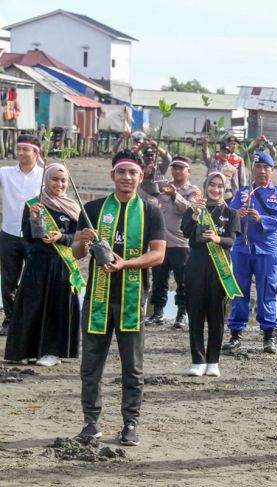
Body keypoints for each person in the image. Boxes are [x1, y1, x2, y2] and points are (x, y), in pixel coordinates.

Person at [72, 149, 166, 446]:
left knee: (132, 367)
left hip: (132, 299)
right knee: (91, 365)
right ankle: (91, 422)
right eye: (121, 172)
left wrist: (125, 263)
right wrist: (80, 242)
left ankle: (130, 424)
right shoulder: (93, 209)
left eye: (133, 173)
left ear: (141, 177)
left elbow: (158, 254)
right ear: (112, 175)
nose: (127, 178)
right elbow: (76, 254)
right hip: (97, 299)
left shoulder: (151, 209)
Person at [4, 164, 83, 366]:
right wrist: (33, 217)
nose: (59, 184)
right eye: (54, 179)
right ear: (46, 181)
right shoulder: (35, 205)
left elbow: (80, 237)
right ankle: (24, 350)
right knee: (31, 305)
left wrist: (62, 236)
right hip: (37, 263)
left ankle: (52, 352)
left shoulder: (73, 207)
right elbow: (30, 237)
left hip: (61, 264)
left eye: (63, 180)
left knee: (56, 307)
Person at [224, 152, 277, 353]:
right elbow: (229, 217)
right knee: (238, 291)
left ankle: (268, 337)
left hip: (266, 250)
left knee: (267, 291)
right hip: (242, 249)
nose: (262, 171)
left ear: (272, 170)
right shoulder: (243, 192)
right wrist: (239, 214)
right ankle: (236, 334)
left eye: (266, 168)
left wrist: (261, 219)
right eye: (258, 167)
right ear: (252, 169)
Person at [181, 172, 241, 377]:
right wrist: (196, 215)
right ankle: (197, 360)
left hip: (220, 270)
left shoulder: (231, 213)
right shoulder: (194, 209)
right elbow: (186, 232)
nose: (215, 189)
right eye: (212, 185)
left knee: (216, 317)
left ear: (224, 189)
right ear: (206, 187)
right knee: (195, 315)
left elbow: (231, 241)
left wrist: (217, 238)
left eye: (220, 186)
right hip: (195, 267)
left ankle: (213, 361)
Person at [142, 156, 199, 328]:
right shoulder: (163, 184)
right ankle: (158, 313)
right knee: (159, 280)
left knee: (183, 282)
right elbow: (145, 191)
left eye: (181, 168)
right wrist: (148, 176)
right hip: (160, 242)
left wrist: (175, 194)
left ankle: (181, 315)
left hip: (181, 243)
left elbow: (192, 209)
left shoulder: (192, 190)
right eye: (174, 167)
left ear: (188, 171)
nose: (176, 171)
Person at [0, 135, 44, 336]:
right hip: (9, 233)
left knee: (34, 278)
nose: (20, 153)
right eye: (18, 149)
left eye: (25, 149)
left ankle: (32, 320)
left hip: (34, 235)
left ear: (36, 153)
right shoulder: (5, 173)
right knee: (8, 280)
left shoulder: (44, 176)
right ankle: (10, 320)